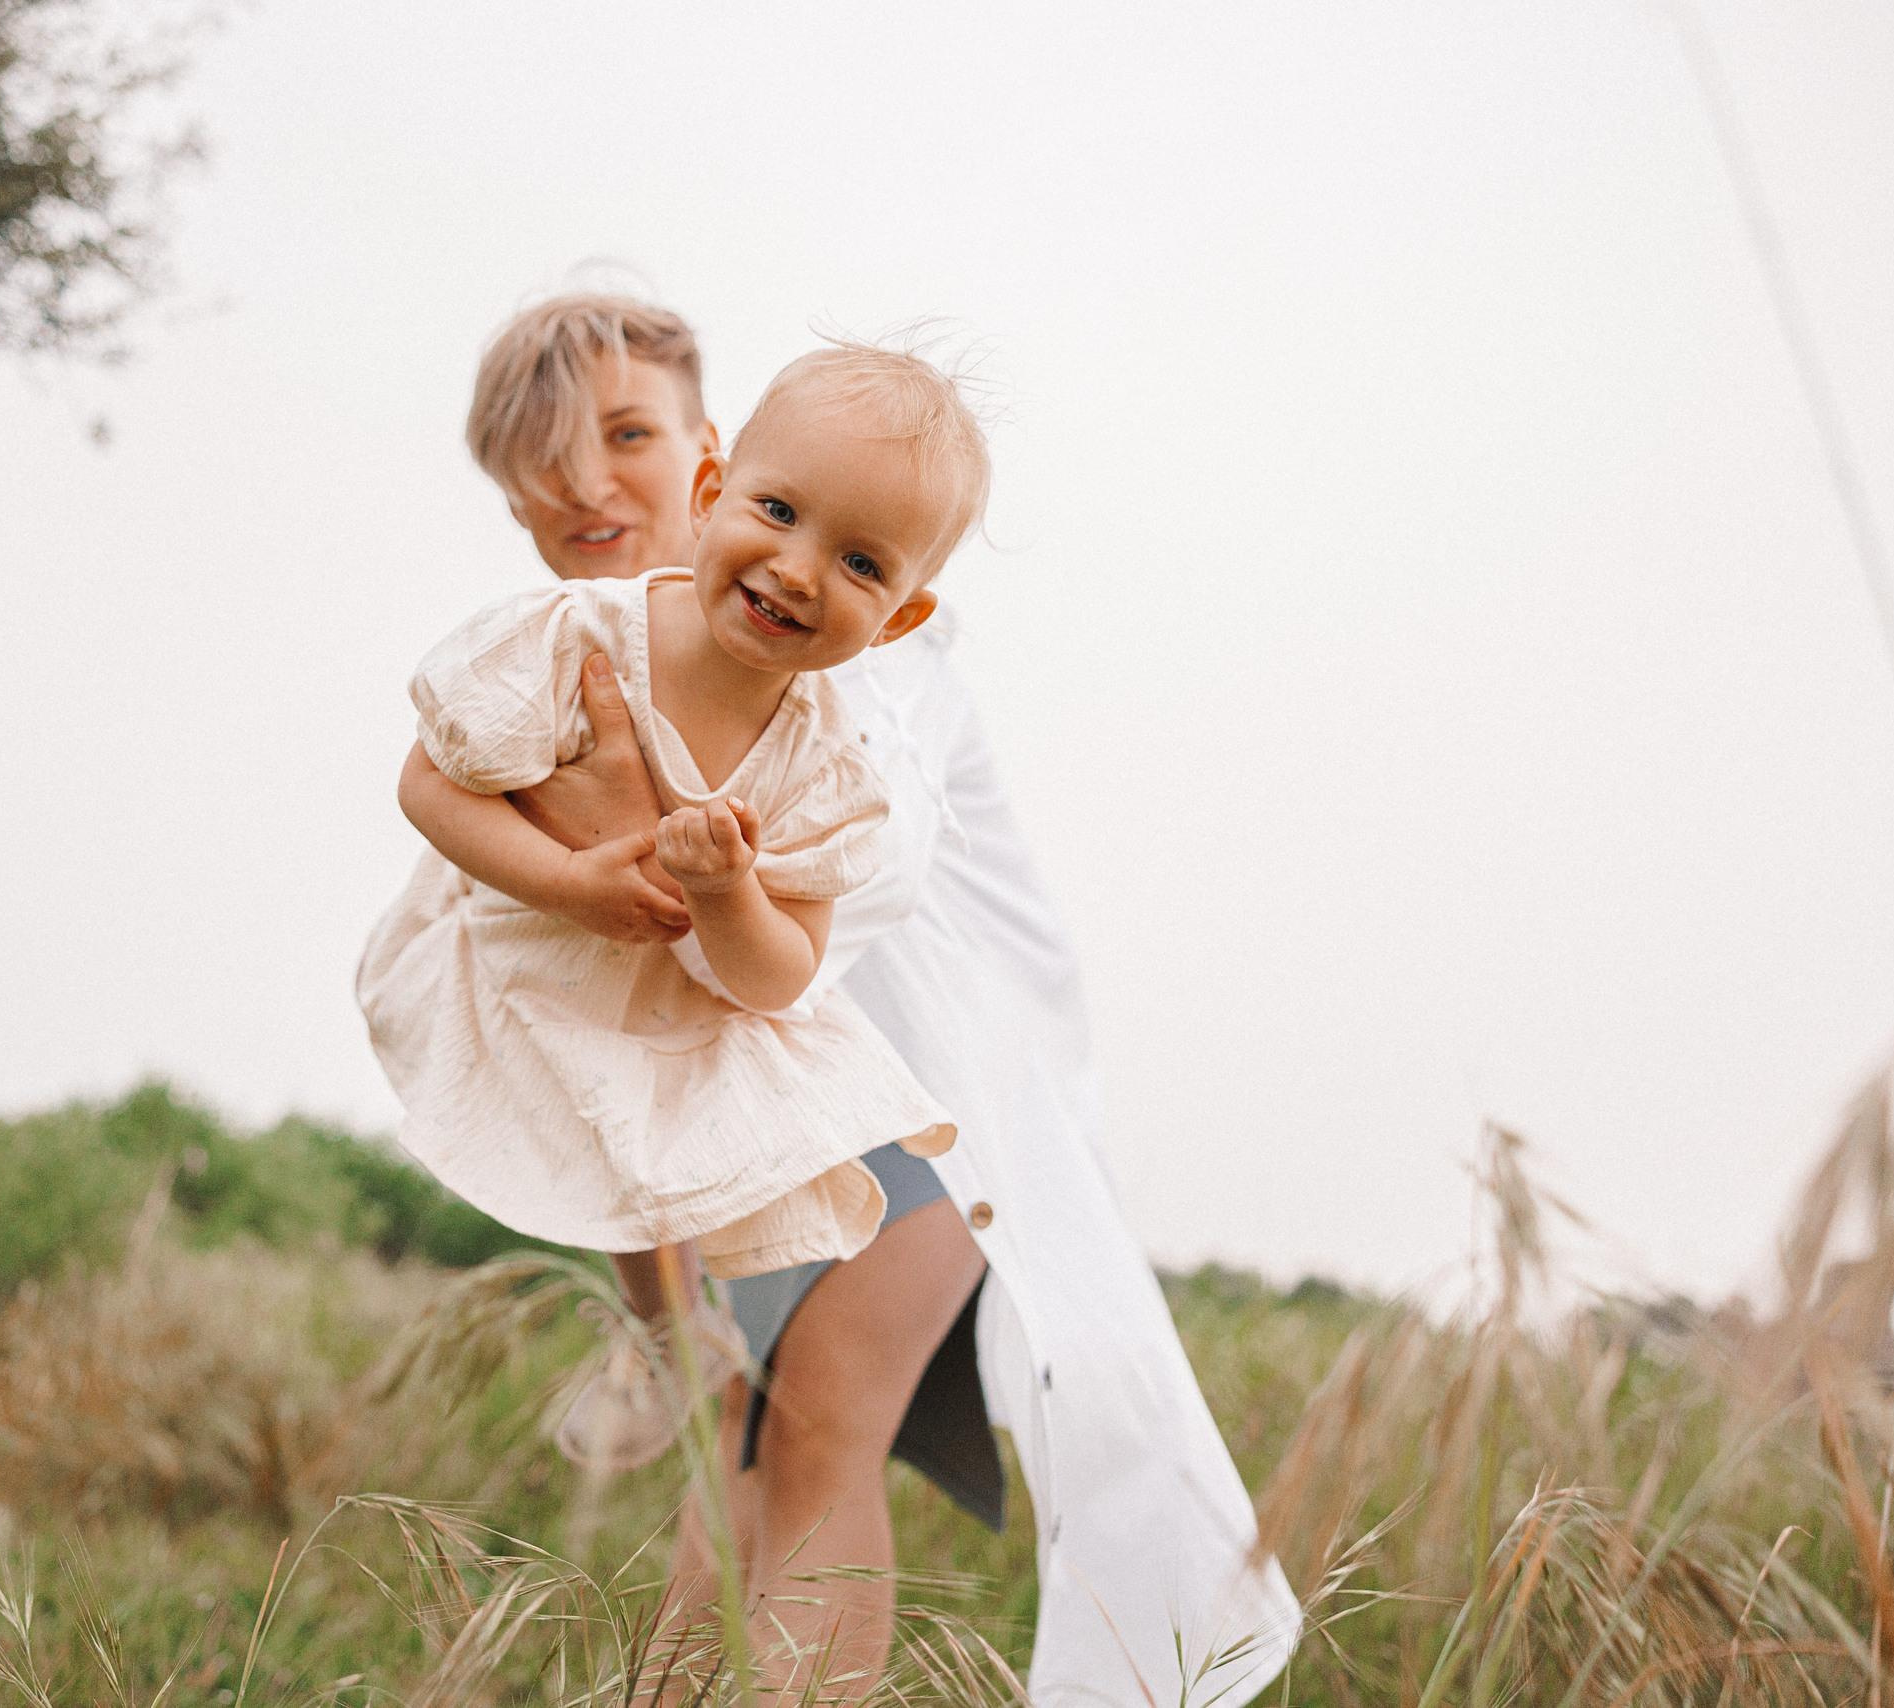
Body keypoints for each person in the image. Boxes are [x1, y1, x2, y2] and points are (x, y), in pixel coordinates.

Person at [414, 293, 1302, 1704]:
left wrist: (661, 866)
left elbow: (849, 888)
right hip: (749, 1097)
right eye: (538, 456)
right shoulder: (592, 655)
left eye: (624, 437)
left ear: (702, 451)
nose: (583, 483)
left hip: (929, 1086)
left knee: (819, 1422)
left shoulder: (849, 658)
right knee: (731, 1434)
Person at [360, 340, 986, 1468]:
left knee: (701, 1133)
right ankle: (662, 1333)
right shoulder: (582, 637)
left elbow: (783, 973)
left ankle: (677, 1341)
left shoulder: (825, 768)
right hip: (526, 955)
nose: (798, 569)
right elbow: (426, 783)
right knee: (604, 1130)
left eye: (859, 563)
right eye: (778, 512)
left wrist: (728, 890)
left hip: (671, 1015)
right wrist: (568, 881)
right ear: (711, 493)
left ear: (898, 618)